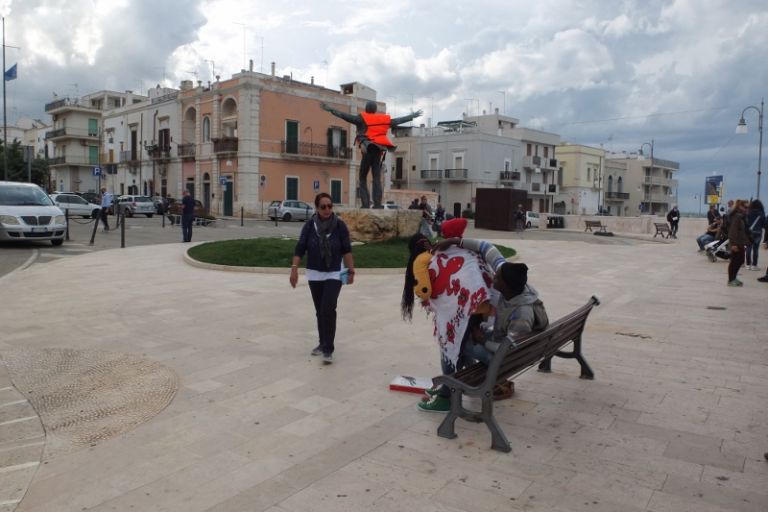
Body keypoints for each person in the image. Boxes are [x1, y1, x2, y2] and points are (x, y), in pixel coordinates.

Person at [290, 192, 355, 364]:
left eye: (329, 206)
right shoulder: (310, 226)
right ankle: (322, 342)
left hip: (335, 271)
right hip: (314, 273)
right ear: (317, 208)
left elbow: (346, 249)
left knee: (328, 308)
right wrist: (294, 269)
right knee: (320, 310)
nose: (327, 209)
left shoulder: (339, 225)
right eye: (323, 206)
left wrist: (351, 270)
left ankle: (328, 348)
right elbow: (300, 248)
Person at [320, 101, 422, 208]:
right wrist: (412, 116)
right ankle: (377, 204)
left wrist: (331, 110)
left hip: (368, 150)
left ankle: (365, 204)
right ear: (375, 110)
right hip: (378, 151)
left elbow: (345, 116)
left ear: (366, 109)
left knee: (362, 177)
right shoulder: (383, 120)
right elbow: (398, 121)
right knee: (376, 178)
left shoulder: (361, 119)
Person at [726, 199, 750, 287]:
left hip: (740, 242)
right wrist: (733, 244)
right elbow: (733, 231)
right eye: (745, 207)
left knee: (739, 261)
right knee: (736, 261)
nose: (747, 209)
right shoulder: (737, 216)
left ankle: (733, 278)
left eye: (748, 207)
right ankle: (731, 280)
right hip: (736, 243)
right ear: (740, 206)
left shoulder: (741, 216)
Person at [745, 199, 765, 271]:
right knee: (756, 249)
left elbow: (746, 223)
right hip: (758, 232)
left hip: (749, 232)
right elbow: (764, 225)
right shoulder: (761, 214)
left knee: (748, 248)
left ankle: (748, 265)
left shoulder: (748, 213)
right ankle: (754, 265)